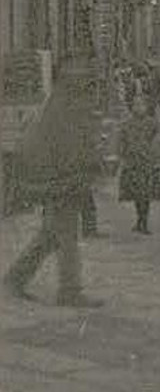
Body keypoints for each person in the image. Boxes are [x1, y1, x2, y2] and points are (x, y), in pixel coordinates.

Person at [3, 59, 104, 308]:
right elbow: (68, 149)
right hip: (61, 183)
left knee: (50, 234)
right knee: (66, 236)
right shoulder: (64, 110)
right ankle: (69, 291)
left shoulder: (59, 106)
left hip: (58, 182)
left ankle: (15, 279)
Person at [118, 96, 160, 234]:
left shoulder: (153, 123)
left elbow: (158, 142)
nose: (138, 108)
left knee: (146, 194)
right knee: (136, 193)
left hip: (147, 162)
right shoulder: (126, 124)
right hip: (132, 162)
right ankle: (139, 219)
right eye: (135, 105)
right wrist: (123, 156)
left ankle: (144, 221)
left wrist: (155, 158)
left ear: (147, 107)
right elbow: (121, 142)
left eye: (141, 105)